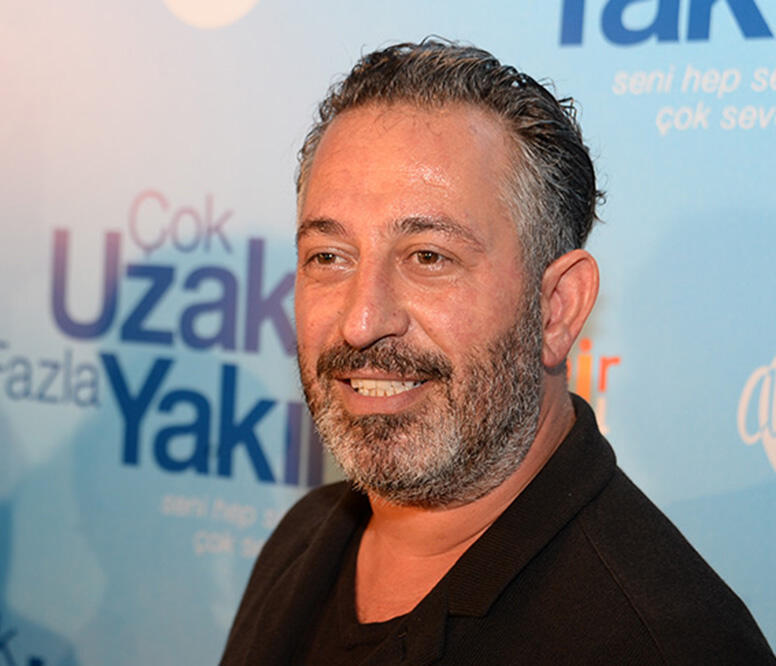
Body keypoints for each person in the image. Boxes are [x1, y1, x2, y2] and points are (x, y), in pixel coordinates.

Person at [221, 40, 774, 664]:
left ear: (557, 307)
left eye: (428, 257)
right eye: (329, 257)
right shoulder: (304, 541)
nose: (362, 321)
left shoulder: (663, 645)